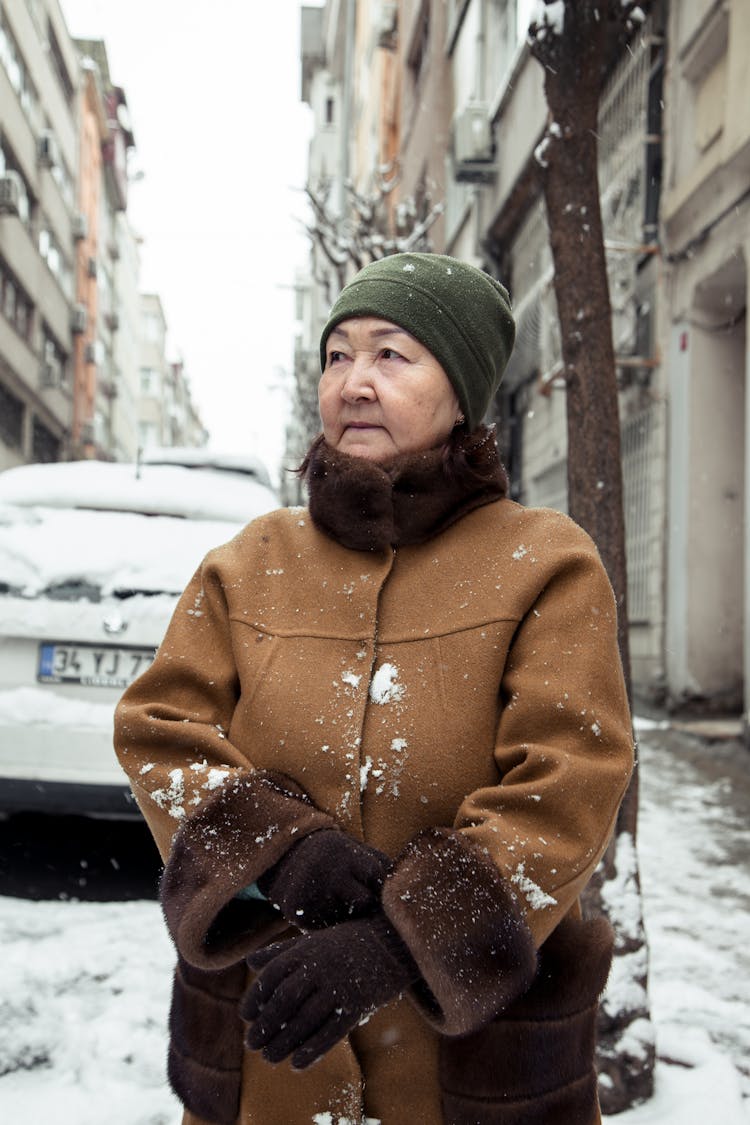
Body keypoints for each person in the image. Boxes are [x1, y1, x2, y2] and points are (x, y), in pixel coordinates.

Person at [114, 252, 634, 1125]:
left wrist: (407, 939)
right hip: (268, 1050)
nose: (354, 382)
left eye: (393, 355)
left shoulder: (547, 563)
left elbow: (570, 783)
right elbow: (162, 733)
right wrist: (280, 854)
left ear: (462, 387)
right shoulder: (251, 562)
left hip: (470, 1064)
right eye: (337, 355)